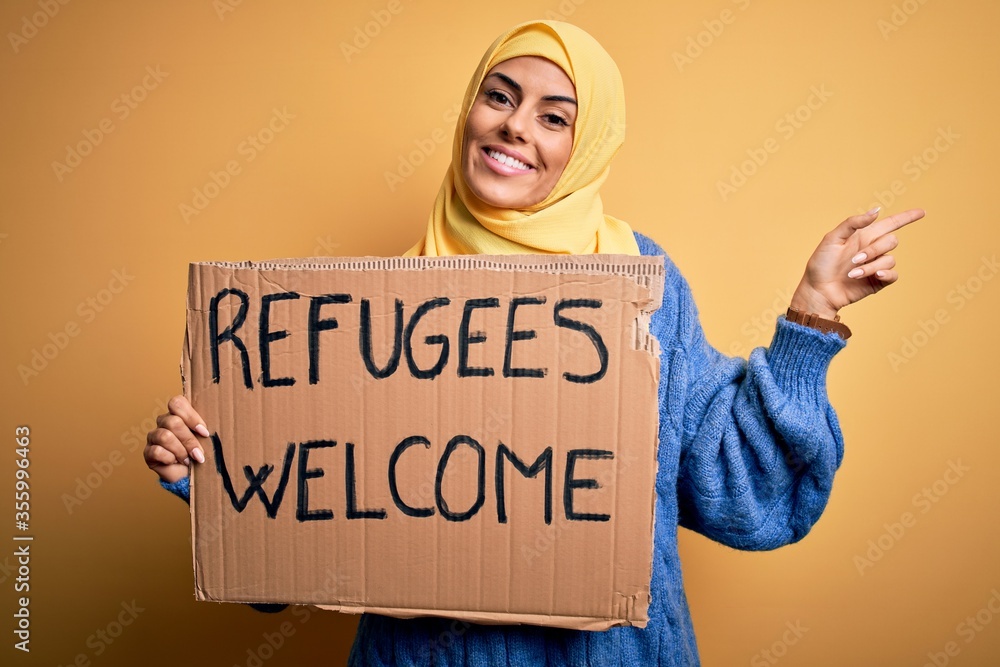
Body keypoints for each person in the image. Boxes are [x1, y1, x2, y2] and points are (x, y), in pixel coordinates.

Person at [144, 19, 924, 666]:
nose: (516, 126)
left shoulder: (640, 286)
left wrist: (810, 317)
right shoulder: (370, 312)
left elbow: (739, 492)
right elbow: (310, 532)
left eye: (555, 116)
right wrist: (217, 470)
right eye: (500, 97)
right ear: (469, 111)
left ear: (587, 146)